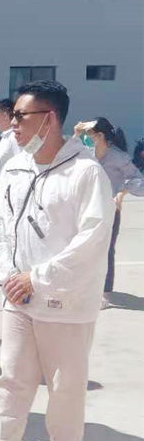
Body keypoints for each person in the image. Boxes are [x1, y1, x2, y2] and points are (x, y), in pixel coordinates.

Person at [0, 80, 114, 441]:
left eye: (20, 116)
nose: (11, 124)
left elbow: (92, 239)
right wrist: (6, 276)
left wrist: (37, 277)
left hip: (66, 302)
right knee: (12, 377)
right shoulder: (15, 168)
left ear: (50, 119)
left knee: (65, 386)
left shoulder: (85, 173)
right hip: (18, 297)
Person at [74, 118, 144, 309]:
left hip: (109, 210)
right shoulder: (86, 153)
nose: (87, 137)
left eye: (89, 134)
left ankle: (104, 294)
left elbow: (138, 181)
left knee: (106, 251)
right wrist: (76, 134)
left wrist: (121, 193)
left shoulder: (118, 157)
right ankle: (86, 288)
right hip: (86, 209)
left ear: (100, 136)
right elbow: (66, 156)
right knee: (84, 249)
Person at [0, 98, 20, 193]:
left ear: (5, 115)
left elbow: (22, 164)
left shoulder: (15, 137)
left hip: (10, 192)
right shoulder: (5, 137)